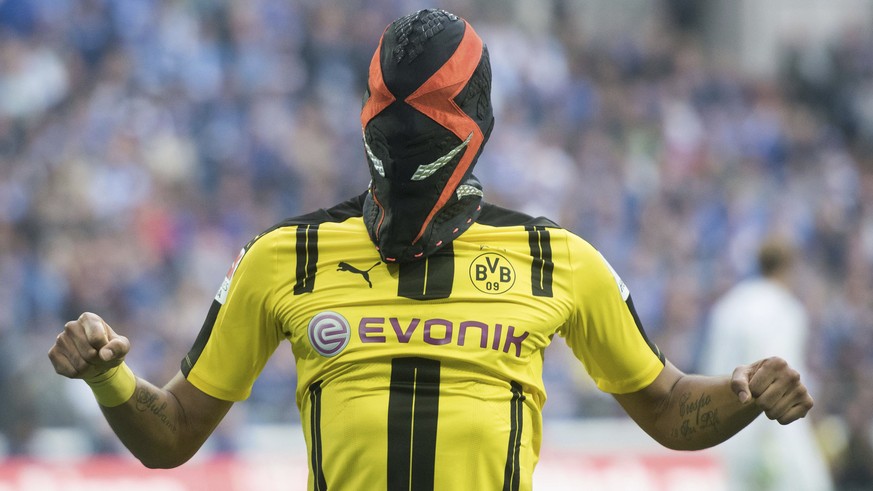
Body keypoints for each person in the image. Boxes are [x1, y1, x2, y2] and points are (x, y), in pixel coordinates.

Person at [49, 9, 814, 490]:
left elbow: (668, 406)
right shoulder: (285, 256)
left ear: (473, 134)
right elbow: (173, 434)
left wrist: (741, 391)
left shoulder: (559, 260)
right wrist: (111, 378)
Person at [700, 238, 833, 491]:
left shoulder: (728, 306)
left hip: (728, 424)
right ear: (789, 268)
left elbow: (712, 366)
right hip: (775, 425)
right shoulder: (785, 309)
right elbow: (780, 370)